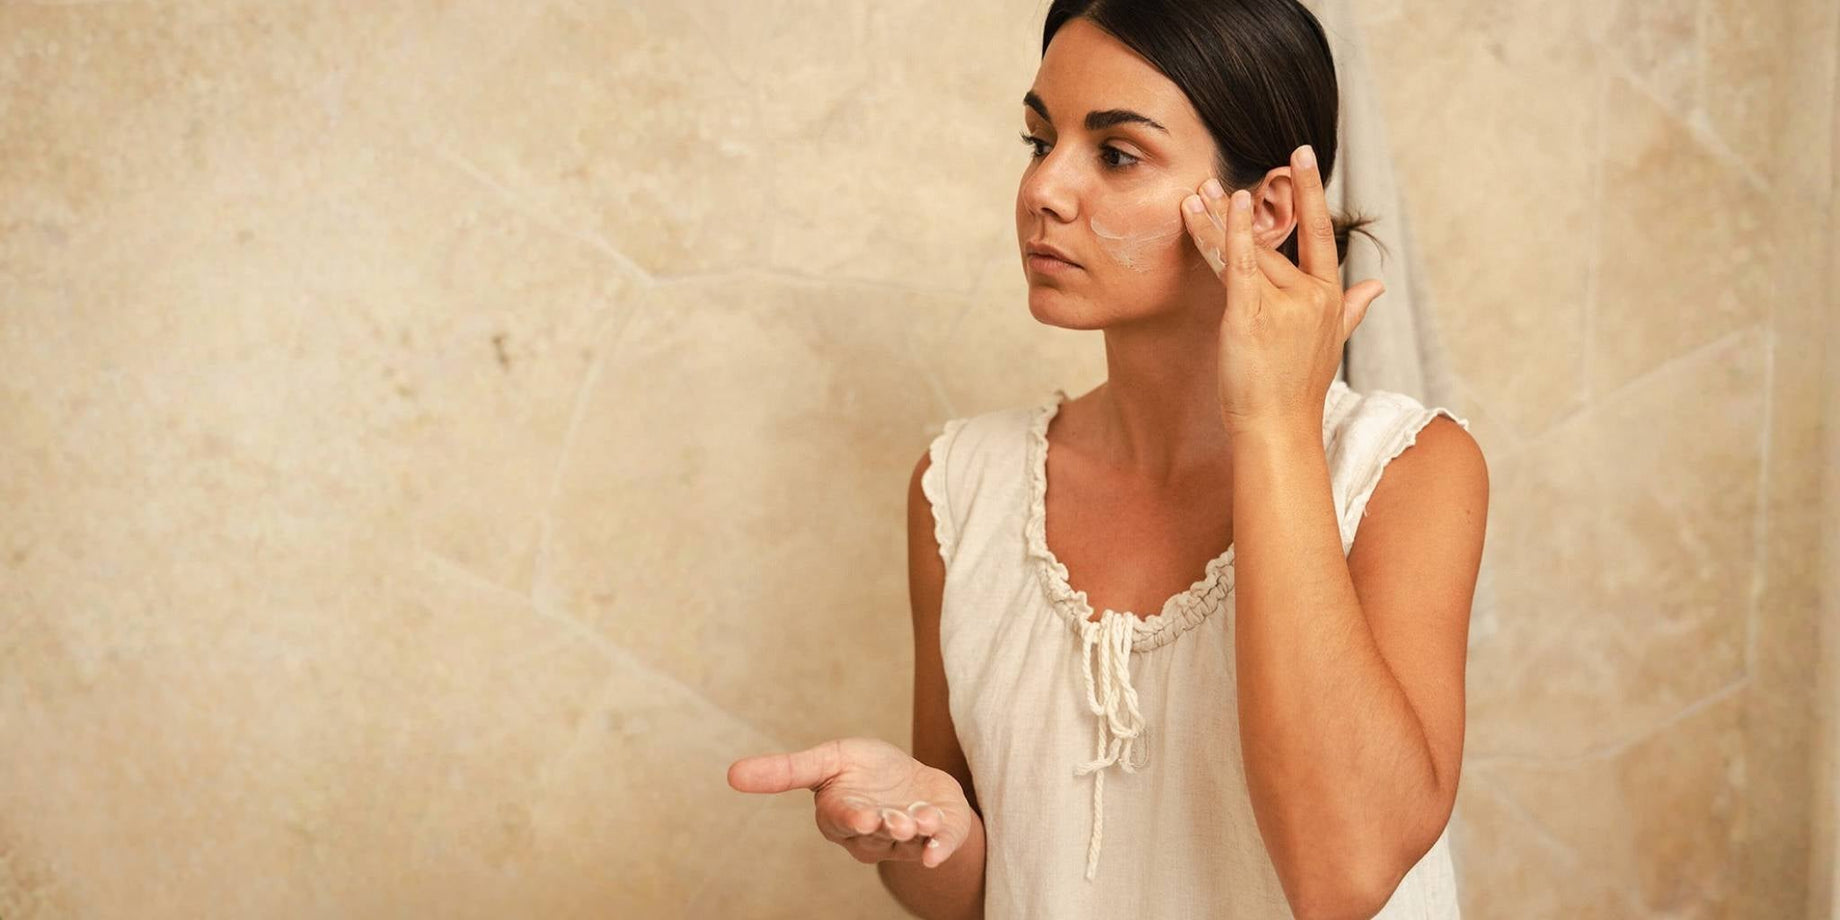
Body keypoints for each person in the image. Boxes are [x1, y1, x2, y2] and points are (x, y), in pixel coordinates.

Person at [729, 1, 1487, 917]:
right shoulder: (962, 487)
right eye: (1037, 140)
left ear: (1270, 209)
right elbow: (983, 888)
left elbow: (1342, 874)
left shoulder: (1406, 470)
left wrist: (1277, 421)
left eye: (1116, 153)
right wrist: (938, 836)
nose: (1044, 189)